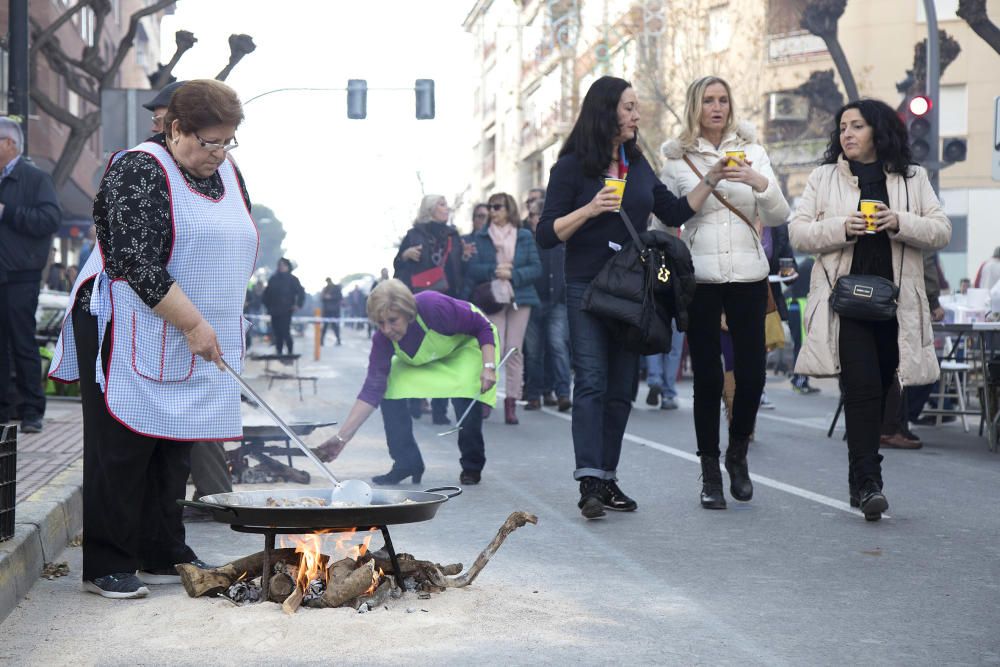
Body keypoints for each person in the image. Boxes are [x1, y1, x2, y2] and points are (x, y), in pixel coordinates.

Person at [48, 79, 255, 597]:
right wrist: (191, 322)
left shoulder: (226, 172)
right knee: (122, 445)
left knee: (174, 442)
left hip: (193, 326)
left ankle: (163, 550)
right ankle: (107, 562)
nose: (219, 153)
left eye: (228, 141)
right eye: (210, 141)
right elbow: (132, 260)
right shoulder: (139, 169)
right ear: (176, 128)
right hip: (128, 320)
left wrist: (212, 321)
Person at [537, 75, 724, 519]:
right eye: (628, 107)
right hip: (586, 285)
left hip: (633, 288)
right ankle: (589, 483)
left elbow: (673, 211)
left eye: (637, 107)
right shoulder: (571, 168)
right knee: (592, 382)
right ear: (605, 112)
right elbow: (546, 234)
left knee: (622, 388)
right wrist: (589, 208)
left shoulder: (637, 164)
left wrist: (713, 176)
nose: (637, 115)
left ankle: (608, 477)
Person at [788, 98, 951, 521]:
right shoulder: (825, 177)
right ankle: (868, 481)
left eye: (856, 126)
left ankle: (858, 476)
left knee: (880, 390)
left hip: (896, 306)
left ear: (877, 131)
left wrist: (899, 221)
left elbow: (941, 230)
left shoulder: (913, 178)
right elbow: (799, 233)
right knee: (859, 389)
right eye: (842, 127)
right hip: (848, 302)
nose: (847, 134)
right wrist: (842, 227)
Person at [659, 76, 791, 510]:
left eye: (723, 100)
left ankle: (738, 454)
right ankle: (710, 470)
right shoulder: (677, 157)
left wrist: (757, 180)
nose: (717, 107)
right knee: (708, 378)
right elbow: (665, 223)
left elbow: (778, 213)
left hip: (750, 275)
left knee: (753, 373)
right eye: (708, 101)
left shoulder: (753, 150)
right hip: (700, 277)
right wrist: (710, 177)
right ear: (695, 106)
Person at [314, 279, 498, 486]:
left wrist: (488, 366)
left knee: (465, 392)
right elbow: (371, 390)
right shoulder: (382, 340)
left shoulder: (433, 307)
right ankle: (407, 462)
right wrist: (341, 439)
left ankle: (472, 465)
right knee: (390, 389)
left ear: (408, 313)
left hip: (465, 347)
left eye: (393, 320)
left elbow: (482, 327)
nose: (387, 329)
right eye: (380, 323)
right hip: (425, 357)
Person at [0, 116, 61, 433]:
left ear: (9, 143)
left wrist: (7, 212)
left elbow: (49, 219)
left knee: (23, 344)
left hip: (21, 275)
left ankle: (31, 411)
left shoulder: (35, 179)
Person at [466, 192, 542, 425]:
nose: (492, 211)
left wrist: (513, 275)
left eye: (497, 206)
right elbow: (473, 269)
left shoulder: (525, 236)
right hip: (492, 298)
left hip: (521, 298)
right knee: (494, 349)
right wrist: (495, 269)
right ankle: (487, 400)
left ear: (509, 208)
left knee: (514, 351)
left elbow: (535, 267)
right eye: (490, 207)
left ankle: (511, 403)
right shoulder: (481, 237)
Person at [394, 195, 466, 425]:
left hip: (447, 299)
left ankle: (439, 410)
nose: (447, 208)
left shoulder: (453, 235)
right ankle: (415, 400)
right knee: (419, 351)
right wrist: (405, 255)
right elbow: (398, 265)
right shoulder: (414, 234)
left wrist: (466, 257)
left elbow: (460, 270)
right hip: (418, 301)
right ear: (430, 209)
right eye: (442, 204)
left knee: (444, 354)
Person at [523, 197, 572, 413]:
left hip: (558, 301)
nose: (537, 219)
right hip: (532, 301)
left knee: (558, 347)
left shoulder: (562, 238)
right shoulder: (525, 240)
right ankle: (534, 394)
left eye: (542, 215)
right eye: (534, 215)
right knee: (533, 352)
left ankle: (562, 394)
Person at [786, 256, 818, 394]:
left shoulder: (807, 263)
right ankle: (799, 381)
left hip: (796, 307)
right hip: (800, 308)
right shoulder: (811, 265)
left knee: (801, 346)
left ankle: (802, 380)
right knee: (802, 347)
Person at [263, 257, 305, 355]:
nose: (281, 267)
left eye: (283, 265)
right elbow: (266, 294)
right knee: (277, 333)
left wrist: (298, 305)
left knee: (285, 331)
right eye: (280, 265)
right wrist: (268, 306)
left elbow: (301, 293)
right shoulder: (273, 279)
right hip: (274, 310)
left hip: (286, 310)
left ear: (288, 267)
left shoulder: (293, 279)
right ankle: (279, 352)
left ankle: (290, 352)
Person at [321, 277, 343, 346]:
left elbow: (339, 297)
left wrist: (331, 297)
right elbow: (322, 299)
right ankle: (321, 340)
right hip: (327, 310)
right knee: (325, 326)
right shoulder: (325, 289)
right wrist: (325, 297)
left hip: (334, 310)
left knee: (335, 326)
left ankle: (338, 340)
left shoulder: (336, 288)